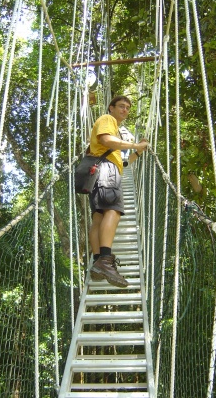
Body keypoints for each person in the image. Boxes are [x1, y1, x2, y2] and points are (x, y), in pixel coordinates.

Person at [88, 95, 148, 288]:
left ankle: (98, 261)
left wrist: (138, 152)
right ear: (111, 108)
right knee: (113, 210)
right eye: (121, 106)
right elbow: (106, 140)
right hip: (106, 171)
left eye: (128, 108)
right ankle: (105, 260)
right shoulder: (108, 120)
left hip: (99, 172)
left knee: (99, 217)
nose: (125, 110)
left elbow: (122, 162)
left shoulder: (114, 130)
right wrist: (135, 145)